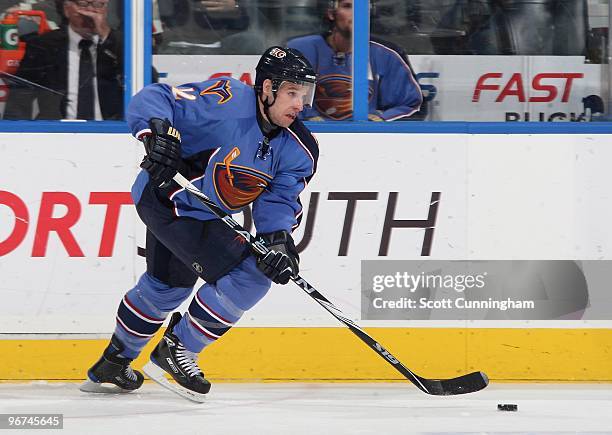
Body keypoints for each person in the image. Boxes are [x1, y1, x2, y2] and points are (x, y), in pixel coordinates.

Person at [79, 46, 318, 402]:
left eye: (305, 94)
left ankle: (114, 363)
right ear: (267, 88)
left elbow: (280, 200)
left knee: (166, 288)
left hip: (197, 212)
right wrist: (156, 133)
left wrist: (278, 240)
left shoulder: (298, 148)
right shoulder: (226, 101)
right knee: (251, 276)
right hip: (168, 199)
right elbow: (157, 97)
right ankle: (177, 350)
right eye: (292, 93)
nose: (300, 104)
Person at [287, 0, 423, 121]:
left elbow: (411, 105)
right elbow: (281, 98)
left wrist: (382, 118)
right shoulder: (300, 49)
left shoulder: (386, 54)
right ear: (331, 13)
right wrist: (307, 118)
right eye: (347, 6)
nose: (356, 13)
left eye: (361, 7)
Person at [2, 0, 123, 120]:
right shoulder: (43, 46)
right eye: (83, 4)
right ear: (66, 9)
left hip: (111, 132)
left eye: (98, 5)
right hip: (57, 133)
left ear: (106, 10)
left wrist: (106, 36)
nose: (90, 12)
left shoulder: (124, 46)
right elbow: (18, 101)